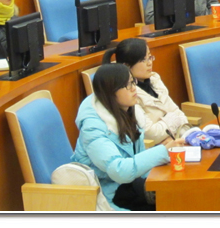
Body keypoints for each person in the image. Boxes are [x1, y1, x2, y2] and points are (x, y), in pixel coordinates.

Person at [72, 63, 184, 211]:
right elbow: (119, 171)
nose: (133, 88)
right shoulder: (93, 128)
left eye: (133, 82)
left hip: (129, 184)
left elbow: (138, 159)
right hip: (106, 193)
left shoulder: (129, 111)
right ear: (111, 92)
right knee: (172, 205)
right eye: (127, 85)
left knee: (178, 192)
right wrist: (163, 151)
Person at [102, 38, 192, 144]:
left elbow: (180, 116)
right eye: (143, 60)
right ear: (126, 66)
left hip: (174, 141)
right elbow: (151, 133)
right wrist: (172, 123)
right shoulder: (128, 94)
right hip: (154, 148)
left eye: (150, 57)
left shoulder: (155, 81)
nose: (149, 63)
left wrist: (172, 136)